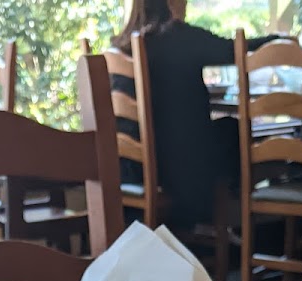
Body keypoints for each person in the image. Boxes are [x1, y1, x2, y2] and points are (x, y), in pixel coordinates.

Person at [110, 0, 276, 228]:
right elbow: (233, 50)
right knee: (234, 131)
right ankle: (235, 223)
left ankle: (214, 224)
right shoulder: (178, 36)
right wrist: (277, 40)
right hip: (174, 170)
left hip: (130, 169)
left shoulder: (121, 45)